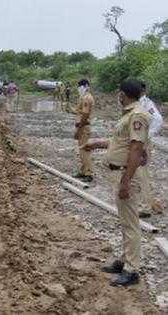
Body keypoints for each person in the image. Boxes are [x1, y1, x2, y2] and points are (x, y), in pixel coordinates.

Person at [82, 79, 149, 286]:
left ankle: (132, 270)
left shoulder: (137, 115)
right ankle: (124, 259)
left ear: (122, 94)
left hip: (126, 175)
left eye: (118, 94)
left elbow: (136, 149)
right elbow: (121, 143)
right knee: (126, 221)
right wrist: (97, 144)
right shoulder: (129, 114)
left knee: (130, 224)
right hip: (120, 173)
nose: (117, 97)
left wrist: (125, 182)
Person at [136, 81, 164, 218]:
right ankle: (142, 204)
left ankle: (145, 207)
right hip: (137, 142)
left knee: (142, 174)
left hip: (142, 143)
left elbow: (158, 120)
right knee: (137, 174)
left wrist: (146, 136)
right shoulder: (136, 103)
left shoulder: (146, 104)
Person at [67, 79, 95, 182]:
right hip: (83, 125)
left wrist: (79, 127)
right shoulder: (84, 97)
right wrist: (72, 111)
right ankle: (83, 171)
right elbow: (81, 112)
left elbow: (85, 114)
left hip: (83, 126)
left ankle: (88, 173)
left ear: (84, 86)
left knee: (84, 150)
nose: (78, 89)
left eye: (79, 87)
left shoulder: (87, 98)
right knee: (82, 150)